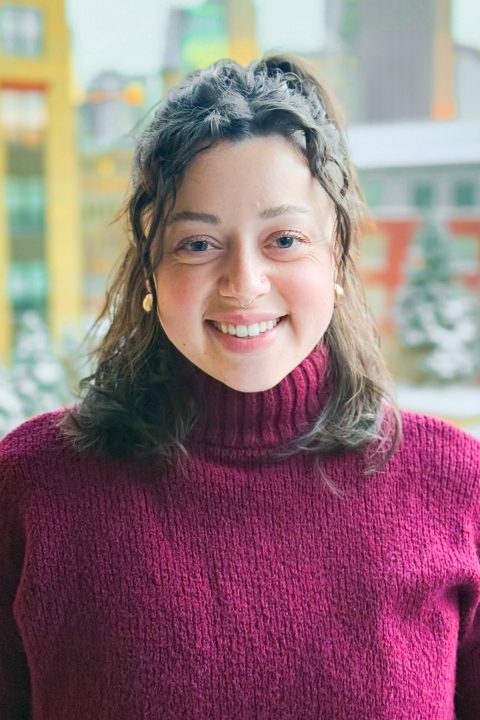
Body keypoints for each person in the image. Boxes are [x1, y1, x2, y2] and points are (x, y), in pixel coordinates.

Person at [0, 54, 479, 720]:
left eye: (283, 238)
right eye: (198, 243)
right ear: (151, 269)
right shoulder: (31, 485)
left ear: (336, 253)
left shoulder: (455, 485)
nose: (244, 281)